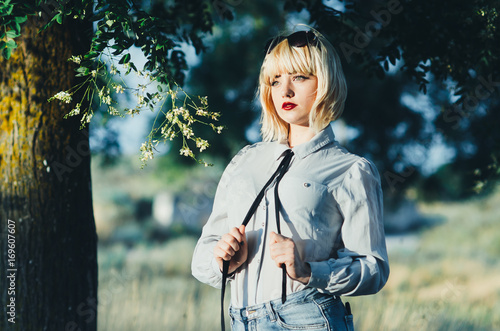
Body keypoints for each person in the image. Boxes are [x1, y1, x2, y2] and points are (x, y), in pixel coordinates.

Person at [191, 28, 389, 331]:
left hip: (306, 318)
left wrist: (309, 271)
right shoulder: (245, 161)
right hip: (240, 319)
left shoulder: (350, 170)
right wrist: (223, 259)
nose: (285, 90)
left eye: (299, 77)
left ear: (325, 82)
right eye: (275, 80)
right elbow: (202, 257)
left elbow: (373, 268)